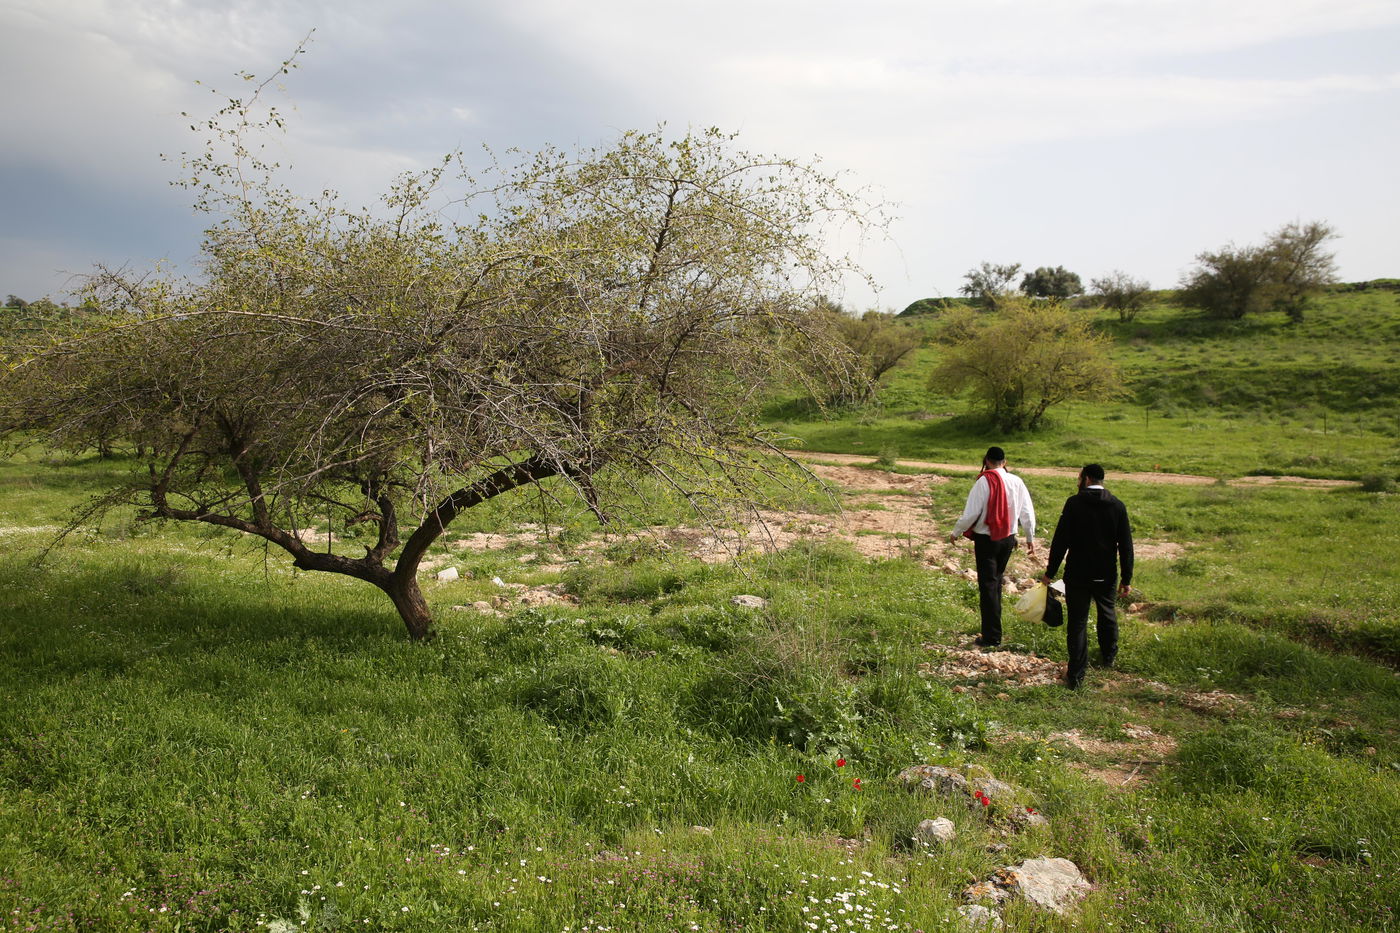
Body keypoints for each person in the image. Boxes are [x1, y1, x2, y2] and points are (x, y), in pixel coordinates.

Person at [1040, 463, 1134, 689]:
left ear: (1088, 478)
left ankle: (1076, 675)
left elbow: (1060, 540)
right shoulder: (1117, 506)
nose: (1078, 480)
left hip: (1078, 573)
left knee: (1078, 622)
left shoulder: (1074, 503)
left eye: (1080, 476)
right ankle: (1108, 655)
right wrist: (1126, 578)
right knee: (1107, 612)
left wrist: (1050, 572)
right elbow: (1126, 546)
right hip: (1106, 572)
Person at [949, 446, 1037, 648]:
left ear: (986, 460)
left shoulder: (983, 481)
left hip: (987, 540)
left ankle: (991, 636)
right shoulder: (1017, 481)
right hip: (1008, 539)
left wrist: (956, 531)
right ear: (1004, 462)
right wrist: (1030, 537)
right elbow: (1027, 512)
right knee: (995, 583)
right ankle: (994, 630)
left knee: (988, 586)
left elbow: (971, 513)